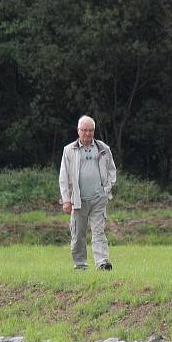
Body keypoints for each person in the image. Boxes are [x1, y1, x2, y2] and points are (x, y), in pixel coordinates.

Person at [59, 115, 117, 270]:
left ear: (94, 131)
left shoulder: (103, 148)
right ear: (78, 131)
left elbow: (112, 170)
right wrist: (66, 200)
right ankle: (81, 265)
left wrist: (107, 189)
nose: (87, 134)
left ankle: (102, 263)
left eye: (90, 130)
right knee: (78, 235)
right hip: (78, 200)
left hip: (99, 198)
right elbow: (63, 177)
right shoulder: (69, 150)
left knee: (99, 232)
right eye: (84, 130)